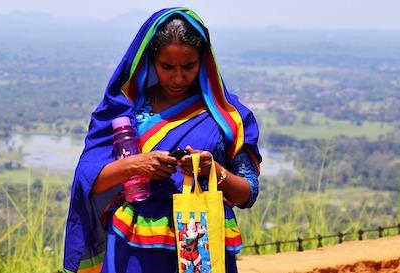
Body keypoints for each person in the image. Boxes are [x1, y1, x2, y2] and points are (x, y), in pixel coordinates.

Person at [63, 7, 261, 273]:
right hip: (133, 251)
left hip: (204, 247)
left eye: (188, 66)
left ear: (203, 61)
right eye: (167, 67)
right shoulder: (125, 112)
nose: (177, 78)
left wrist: (214, 170)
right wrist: (137, 165)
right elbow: (89, 180)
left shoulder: (228, 118)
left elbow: (248, 194)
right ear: (151, 60)